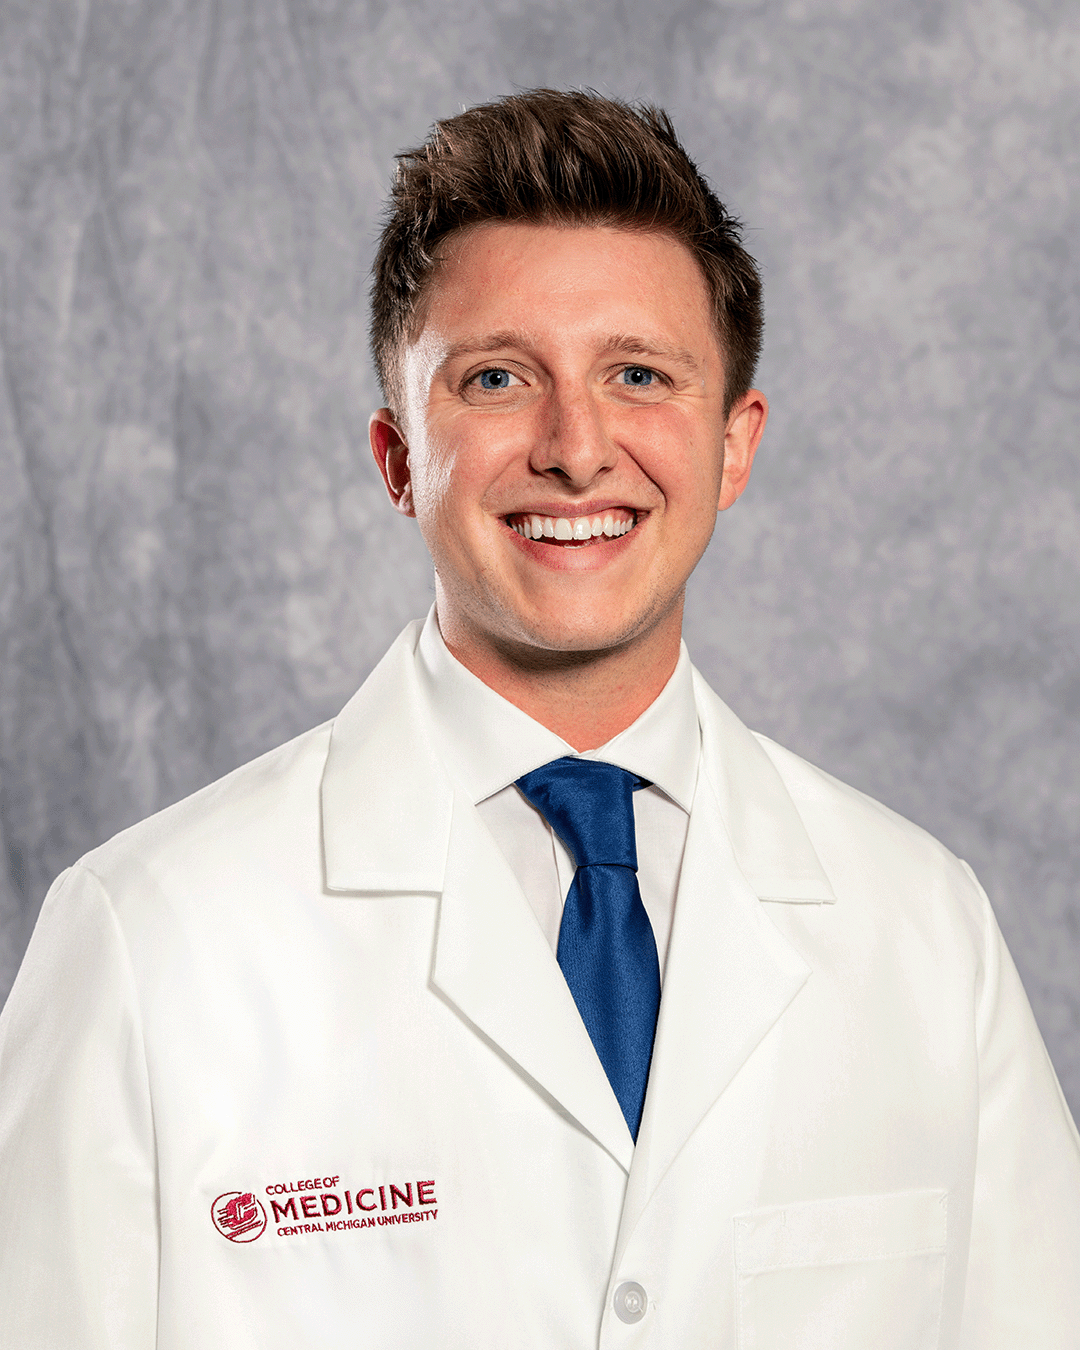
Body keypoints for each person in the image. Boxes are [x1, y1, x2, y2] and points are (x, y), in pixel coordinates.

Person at [0, 88, 1077, 1350]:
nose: (577, 449)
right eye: (498, 377)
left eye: (639, 374)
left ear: (736, 445)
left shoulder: (923, 928)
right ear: (399, 456)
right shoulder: (149, 941)